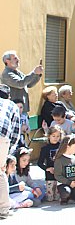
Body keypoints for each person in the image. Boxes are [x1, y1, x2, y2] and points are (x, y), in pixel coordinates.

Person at [0, 84, 20, 218]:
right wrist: (7, 153)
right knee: (1, 173)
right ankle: (3, 209)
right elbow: (16, 131)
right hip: (2, 138)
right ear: (9, 96)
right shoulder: (12, 105)